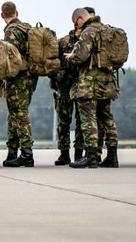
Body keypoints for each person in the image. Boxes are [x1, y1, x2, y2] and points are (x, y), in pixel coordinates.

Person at [65, 8, 120, 168]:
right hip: (107, 82)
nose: (77, 26)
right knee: (106, 118)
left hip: (89, 83)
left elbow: (81, 56)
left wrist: (71, 56)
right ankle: (112, 155)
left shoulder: (89, 32)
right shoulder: (107, 30)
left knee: (88, 119)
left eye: (76, 23)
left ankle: (91, 156)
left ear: (81, 18)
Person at [0, 2, 37, 167]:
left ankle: (27, 154)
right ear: (17, 12)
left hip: (18, 80)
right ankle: (12, 152)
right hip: (30, 78)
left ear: (2, 15)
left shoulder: (12, 32)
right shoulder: (27, 28)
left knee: (20, 116)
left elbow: (11, 60)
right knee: (15, 115)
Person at [53, 18, 84, 165]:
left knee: (81, 121)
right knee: (63, 120)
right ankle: (64, 153)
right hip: (64, 86)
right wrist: (55, 81)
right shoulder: (64, 42)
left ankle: (79, 153)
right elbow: (54, 63)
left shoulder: (87, 41)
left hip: (82, 86)